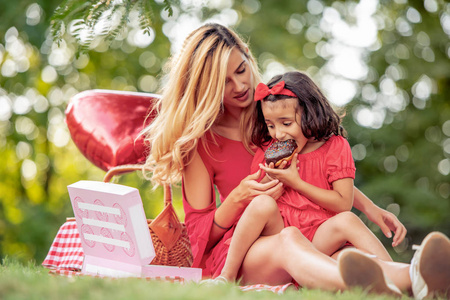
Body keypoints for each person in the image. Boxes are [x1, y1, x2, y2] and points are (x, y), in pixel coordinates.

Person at [142, 23, 449, 297]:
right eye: (224, 82)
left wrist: (369, 207)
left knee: (342, 248)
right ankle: (403, 280)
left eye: (241, 69)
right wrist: (238, 198)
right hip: (245, 250)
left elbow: (316, 168)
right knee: (288, 240)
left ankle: (416, 280)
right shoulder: (203, 144)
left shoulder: (275, 113)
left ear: (248, 56)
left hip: (304, 232)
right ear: (205, 86)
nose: (240, 86)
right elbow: (196, 237)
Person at [216, 71, 394, 285]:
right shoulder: (269, 149)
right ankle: (225, 276)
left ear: (310, 114)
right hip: (279, 236)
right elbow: (255, 201)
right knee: (262, 203)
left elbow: (343, 202)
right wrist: (270, 182)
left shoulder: (335, 147)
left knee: (347, 221)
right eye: (271, 125)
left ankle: (402, 276)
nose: (278, 134)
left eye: (286, 123)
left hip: (318, 240)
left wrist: (296, 183)